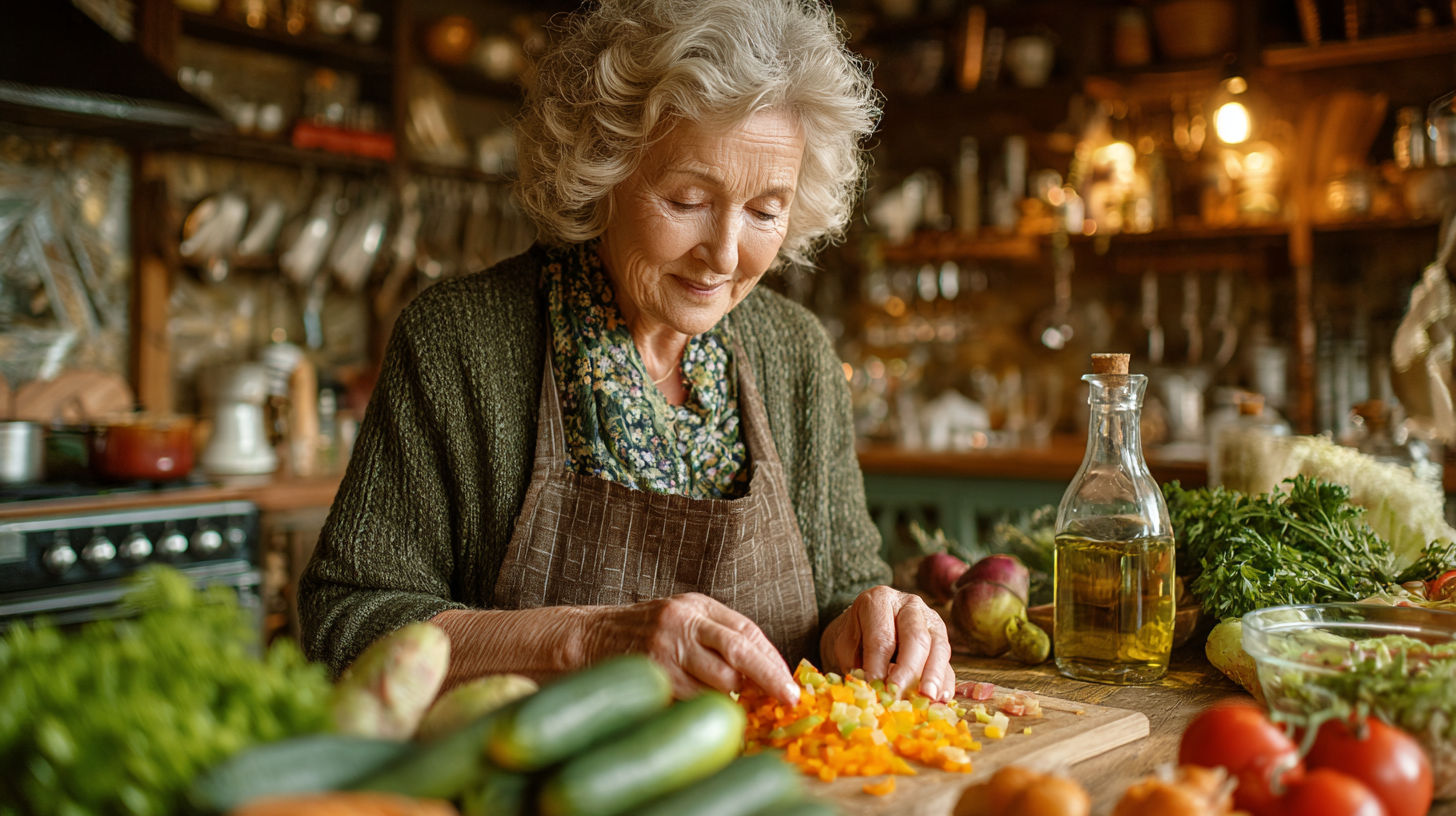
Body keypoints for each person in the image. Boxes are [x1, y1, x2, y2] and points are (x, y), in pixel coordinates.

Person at [300, 0, 955, 707]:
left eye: (766, 210)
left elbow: (842, 595)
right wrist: (588, 642)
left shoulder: (797, 355)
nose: (725, 254)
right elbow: (345, 627)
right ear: (603, 166)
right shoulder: (460, 340)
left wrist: (874, 623)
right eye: (686, 199)